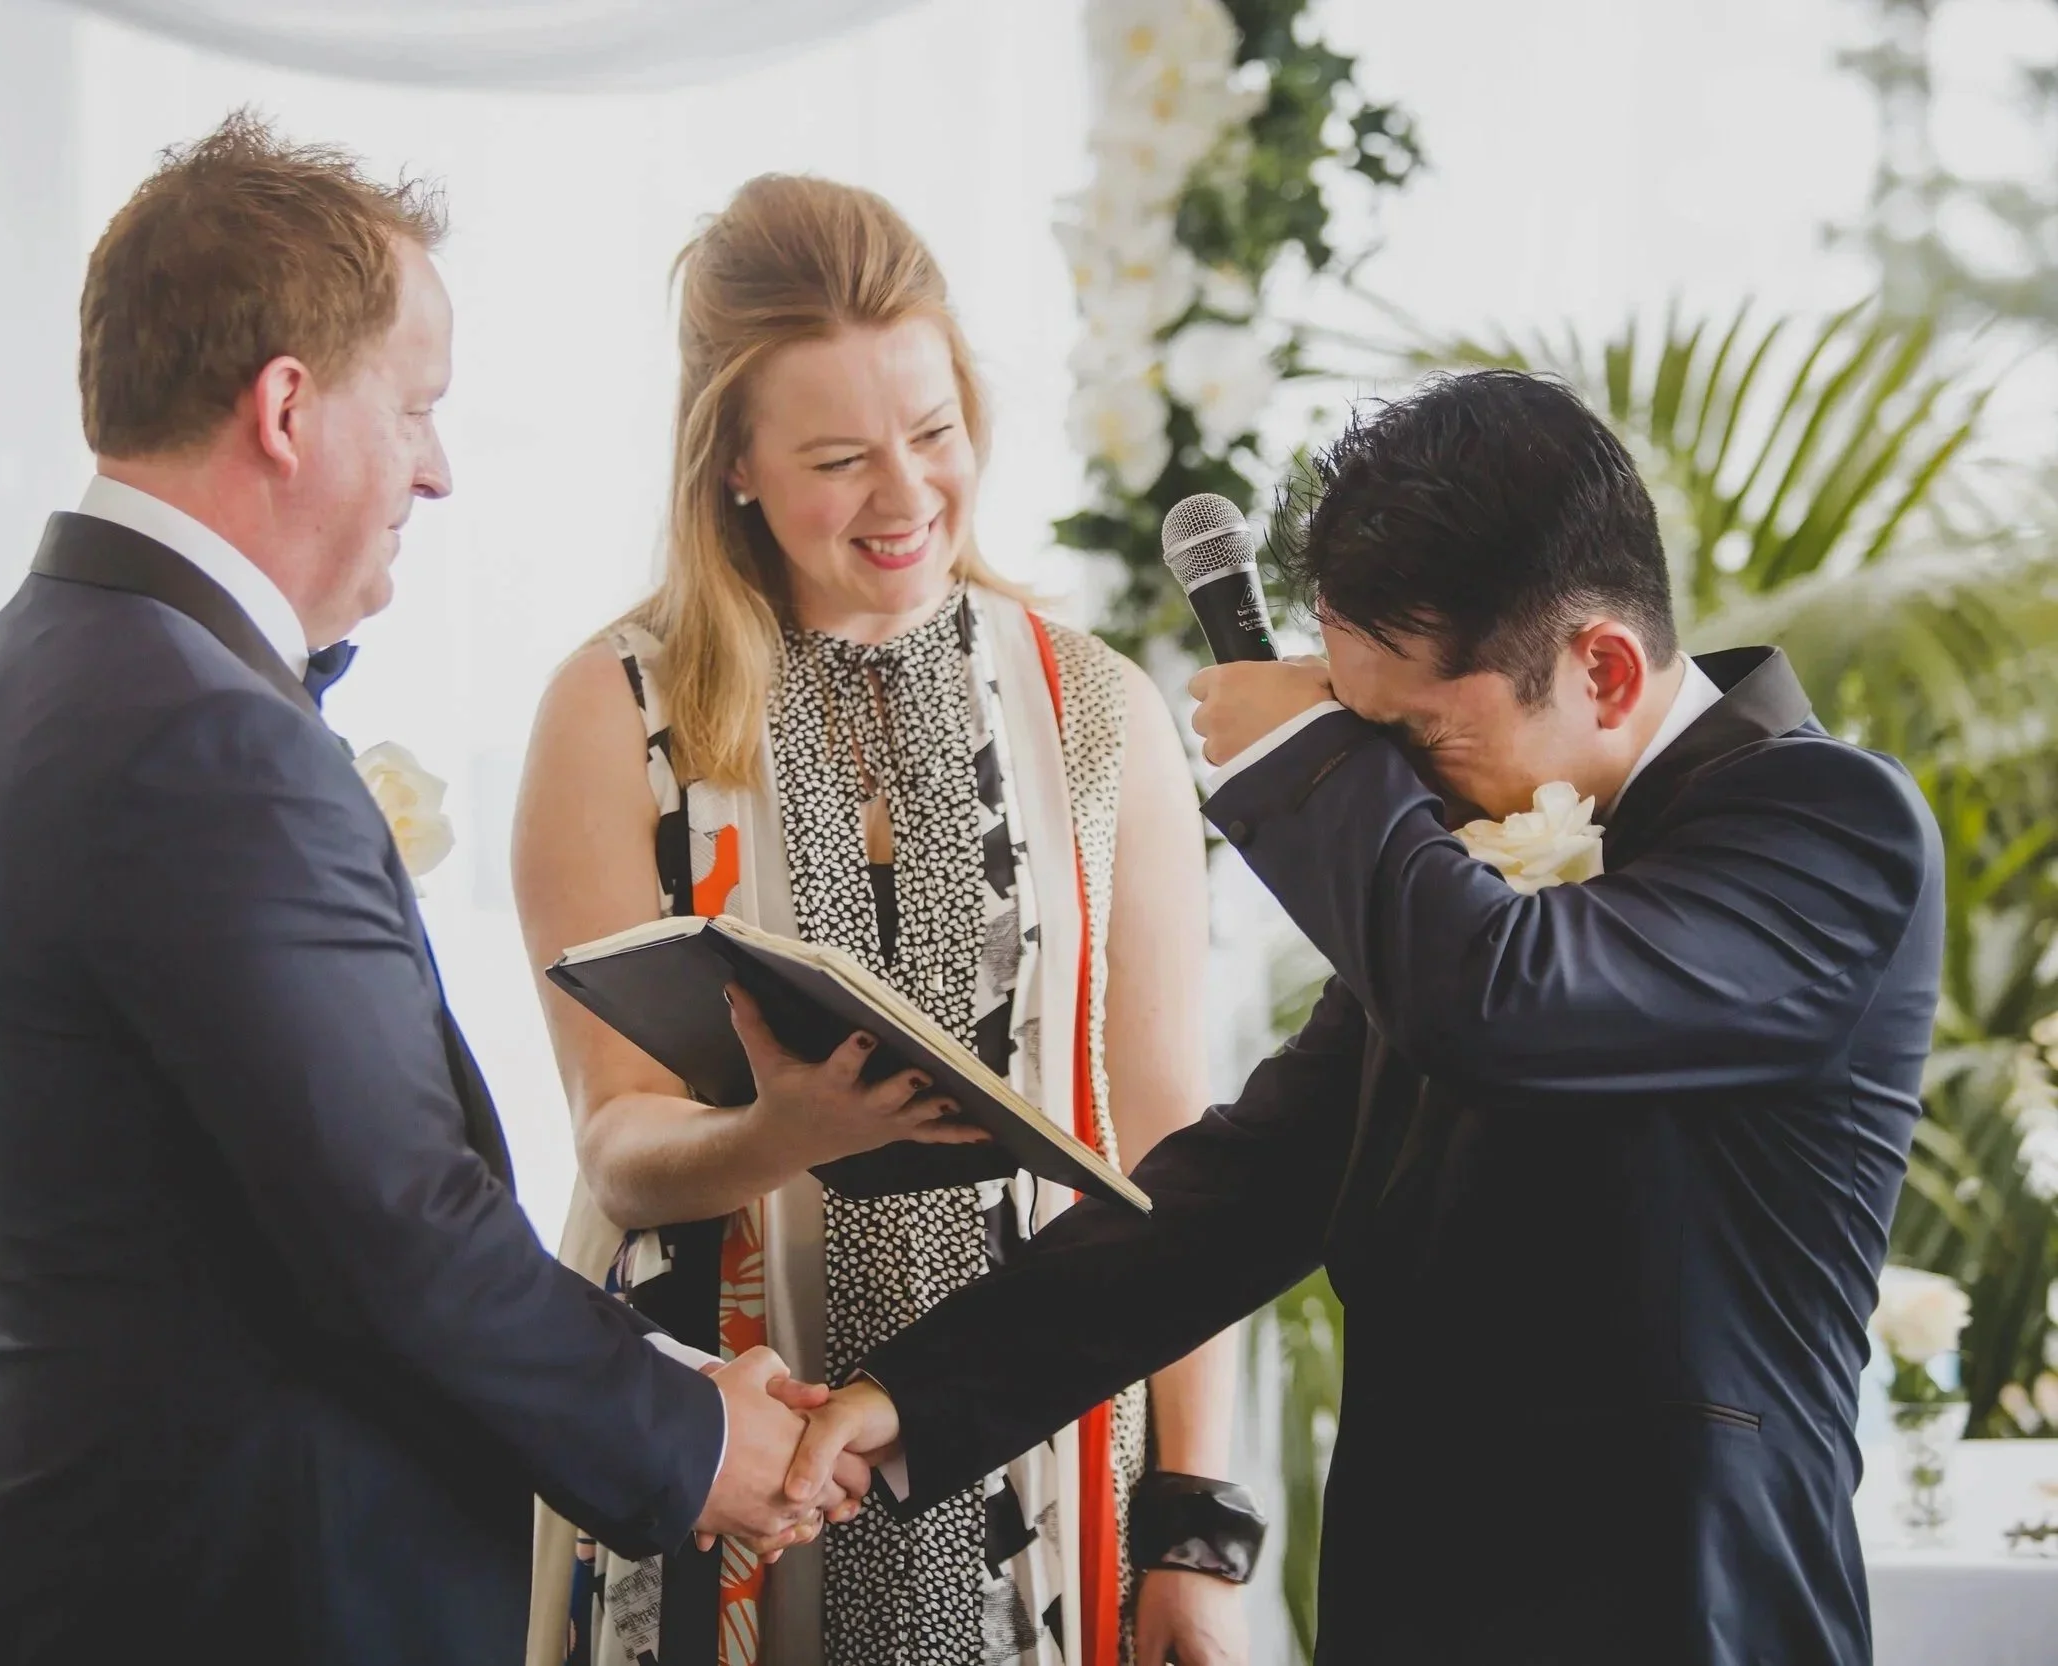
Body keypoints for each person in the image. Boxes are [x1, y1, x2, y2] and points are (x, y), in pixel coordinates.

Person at [783, 371, 1946, 1666]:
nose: (1391, 784)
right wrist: (916, 1392)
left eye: (1413, 736)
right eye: (1362, 742)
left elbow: (1504, 1002)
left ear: (1603, 670)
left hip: (1681, 1611)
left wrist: (1301, 756)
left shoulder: (1829, 827)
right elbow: (1249, 1182)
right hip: (1415, 1601)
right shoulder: (1460, 896)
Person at [0, 114, 848, 1666]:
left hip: (96, 1549)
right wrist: (688, 1430)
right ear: (286, 406)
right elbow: (394, 1227)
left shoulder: (45, 660)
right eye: (414, 407)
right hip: (230, 1588)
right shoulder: (201, 734)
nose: (438, 467)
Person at [513, 174, 1247, 1666]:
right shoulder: (616, 711)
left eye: (933, 432)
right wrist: (778, 1133)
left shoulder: (1103, 713)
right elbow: (616, 1143)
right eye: (841, 457)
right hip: (726, 1469)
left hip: (1046, 1474)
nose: (907, 497)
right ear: (730, 464)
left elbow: (1176, 1153)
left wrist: (1194, 1524)